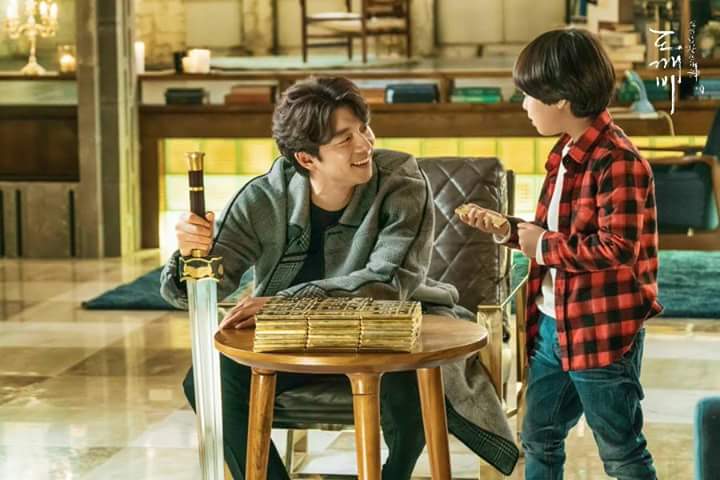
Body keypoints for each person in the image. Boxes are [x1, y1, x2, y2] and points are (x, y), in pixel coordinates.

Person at [160, 76, 517, 479]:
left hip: (388, 328)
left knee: (414, 383)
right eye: (345, 139)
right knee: (206, 380)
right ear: (306, 158)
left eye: (364, 129)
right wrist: (189, 254)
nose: (365, 145)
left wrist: (285, 305)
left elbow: (388, 283)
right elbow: (200, 288)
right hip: (295, 340)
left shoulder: (402, 182)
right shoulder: (262, 198)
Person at [458, 29, 663, 479]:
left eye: (529, 96)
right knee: (539, 438)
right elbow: (556, 234)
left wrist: (543, 245)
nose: (524, 106)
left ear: (562, 99)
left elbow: (616, 248)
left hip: (601, 333)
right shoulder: (565, 151)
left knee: (621, 451)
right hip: (553, 326)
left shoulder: (619, 161)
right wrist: (508, 230)